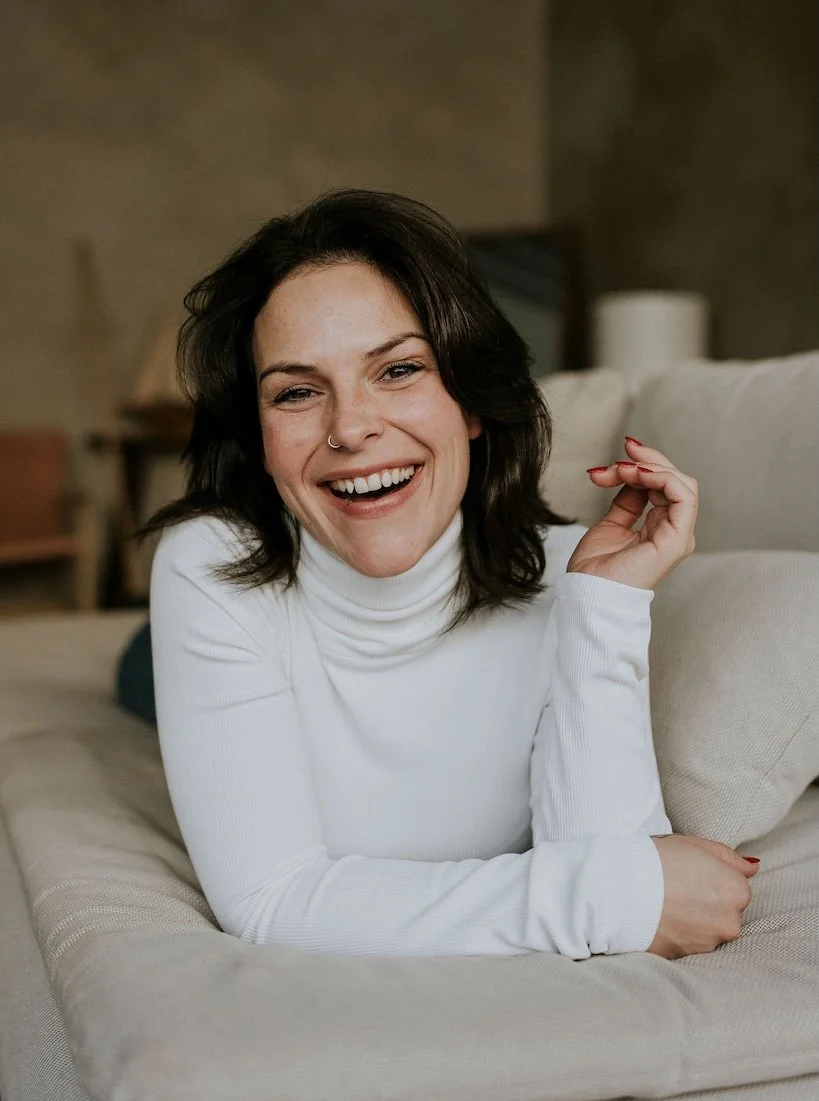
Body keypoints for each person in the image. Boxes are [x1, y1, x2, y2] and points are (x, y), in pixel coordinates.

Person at [146, 188, 758, 960]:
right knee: (140, 675)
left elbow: (605, 866)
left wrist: (600, 609)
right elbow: (271, 899)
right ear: (260, 438)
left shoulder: (571, 575)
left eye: (398, 369)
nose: (350, 428)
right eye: (296, 391)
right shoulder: (207, 566)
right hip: (238, 621)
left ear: (470, 402)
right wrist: (609, 897)